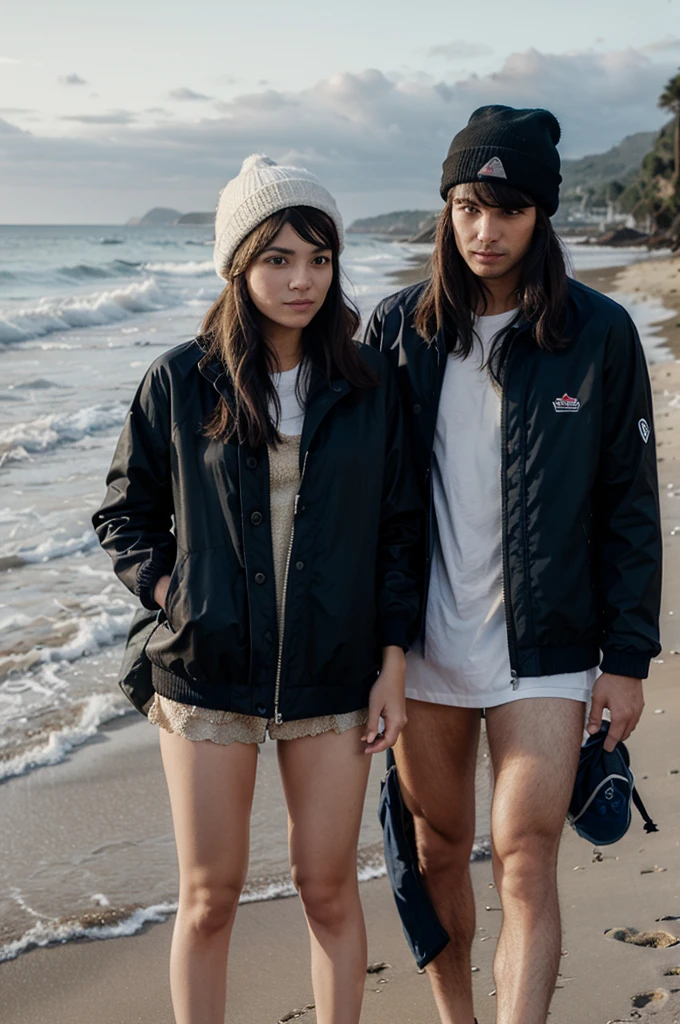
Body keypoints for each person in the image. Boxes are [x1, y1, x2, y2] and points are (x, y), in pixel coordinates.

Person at [93, 154, 421, 1024]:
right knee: (209, 897)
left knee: (327, 890)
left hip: (333, 672)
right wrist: (175, 590)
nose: (302, 279)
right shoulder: (179, 380)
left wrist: (392, 662)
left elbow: (400, 532)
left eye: (319, 257)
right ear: (238, 264)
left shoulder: (368, 386)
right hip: (207, 675)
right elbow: (123, 513)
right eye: (277, 257)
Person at [364, 105, 662, 1024]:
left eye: (509, 210)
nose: (485, 232)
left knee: (525, 851)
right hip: (426, 646)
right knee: (441, 847)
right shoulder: (399, 331)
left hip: (550, 643)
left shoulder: (599, 334)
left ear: (543, 217)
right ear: (446, 212)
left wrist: (628, 657)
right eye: (467, 208)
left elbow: (630, 503)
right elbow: (360, 498)